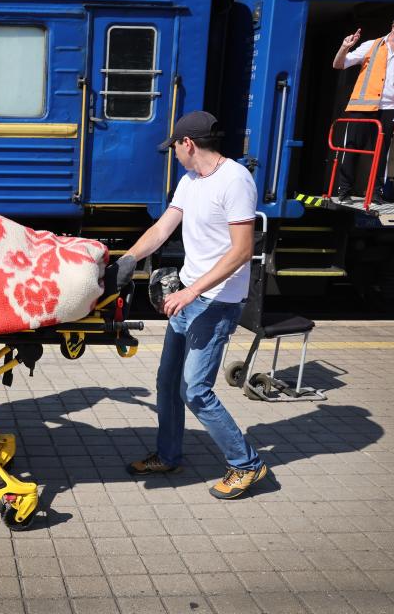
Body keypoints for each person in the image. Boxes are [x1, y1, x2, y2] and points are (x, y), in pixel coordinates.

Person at [116, 111, 268, 500]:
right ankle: (168, 455)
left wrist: (190, 291)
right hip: (189, 295)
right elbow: (163, 226)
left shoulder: (235, 180)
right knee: (168, 384)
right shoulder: (191, 181)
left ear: (188, 144)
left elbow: (242, 251)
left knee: (195, 390)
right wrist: (128, 259)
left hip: (216, 302)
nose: (174, 156)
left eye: (175, 148)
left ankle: (247, 464)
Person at [332, 9, 394, 204]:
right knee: (352, 148)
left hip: (391, 108)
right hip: (362, 106)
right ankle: (344, 191)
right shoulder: (371, 45)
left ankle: (375, 193)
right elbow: (339, 64)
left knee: (381, 151)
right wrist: (345, 47)